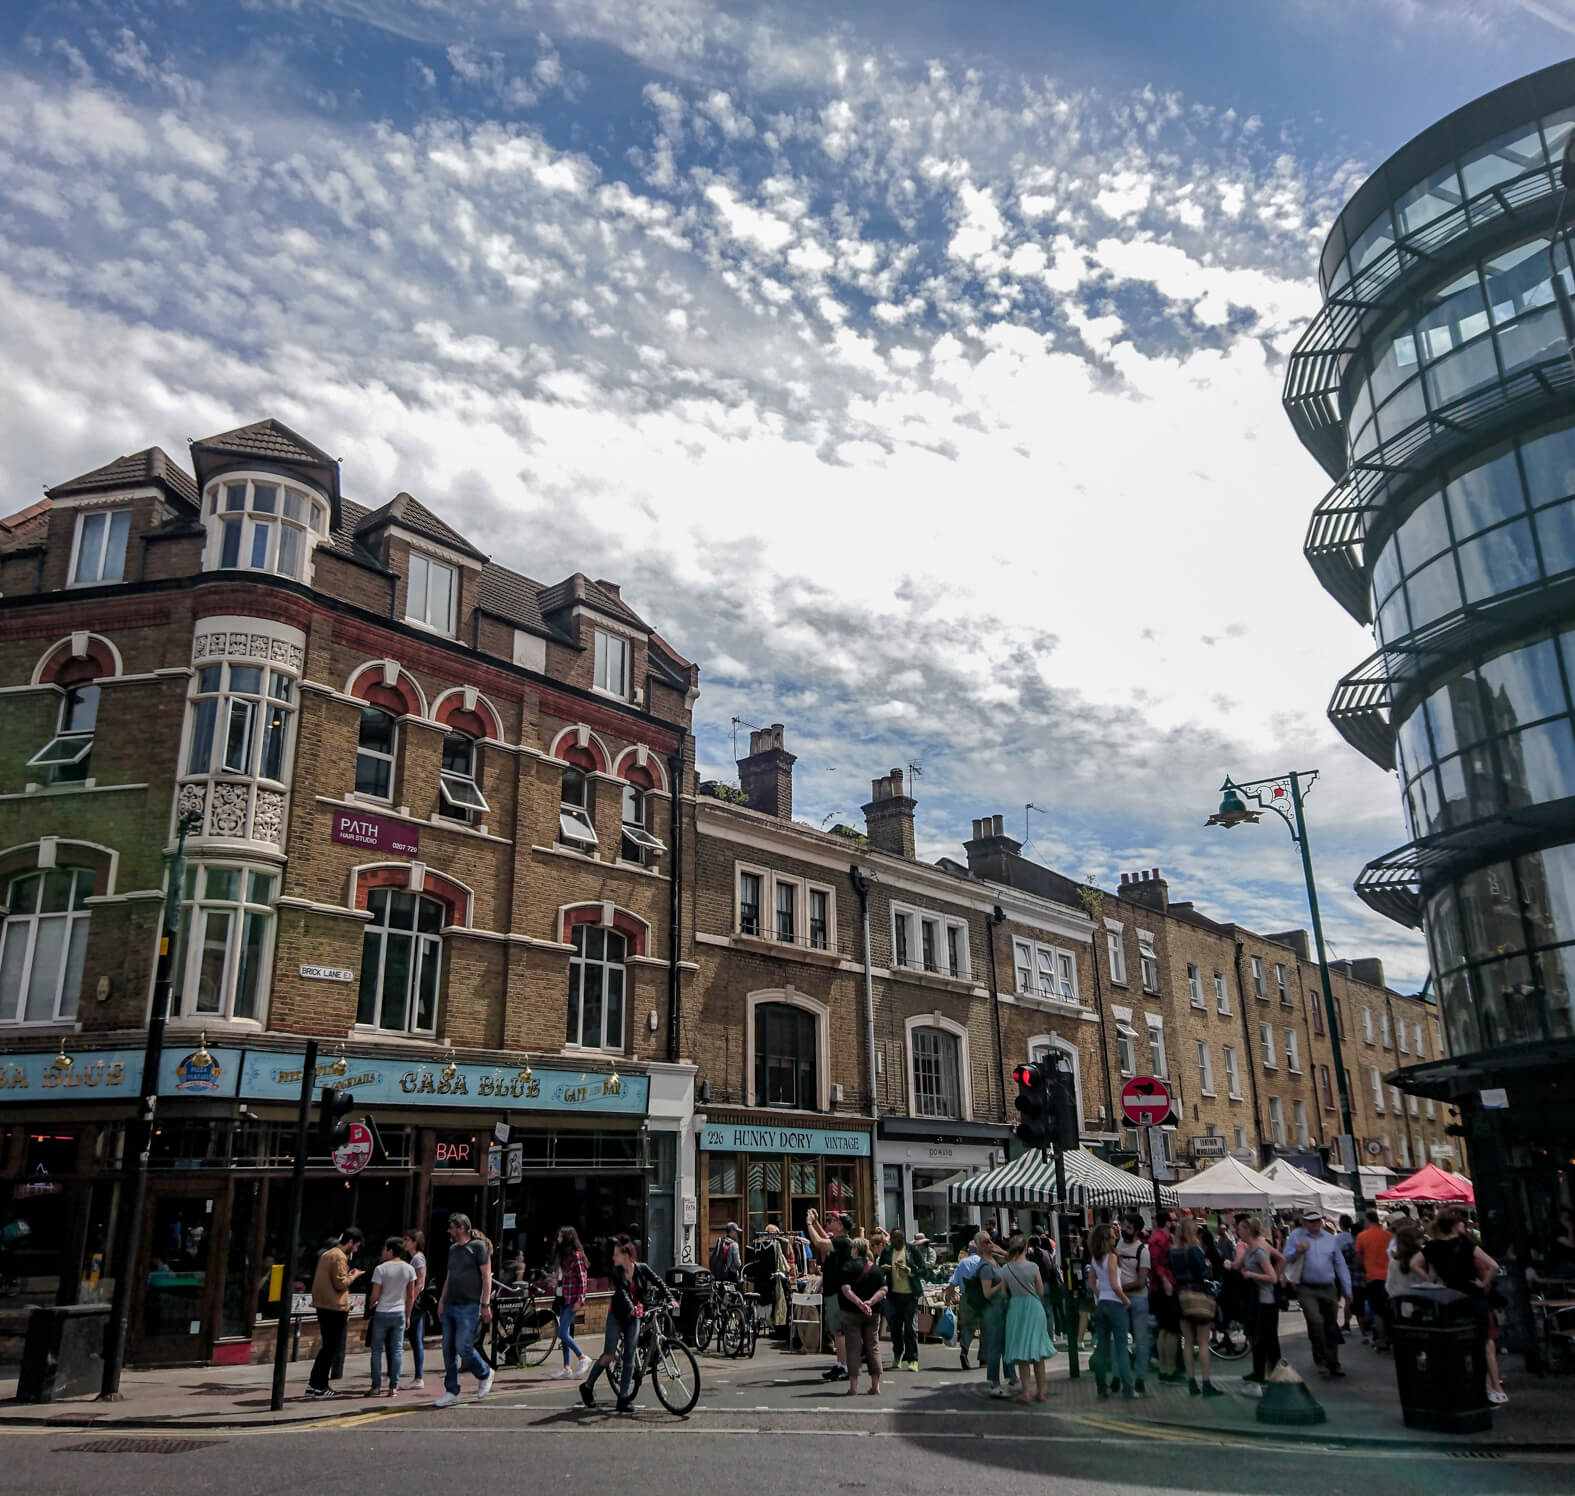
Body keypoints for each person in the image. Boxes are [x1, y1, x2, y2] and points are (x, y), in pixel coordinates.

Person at [1423, 1208, 1508, 1405]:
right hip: (1473, 1296)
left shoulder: (1432, 1247)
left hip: (1450, 1298)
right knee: (1484, 1342)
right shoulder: (1466, 1244)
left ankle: (1480, 1385)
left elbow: (1415, 1264)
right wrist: (1483, 1282)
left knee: (1462, 1343)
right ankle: (1496, 1387)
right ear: (1454, 1226)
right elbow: (1494, 1266)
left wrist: (1432, 1281)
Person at [581, 1235, 661, 1413]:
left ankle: (623, 1398)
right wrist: (632, 1308)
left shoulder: (641, 1269)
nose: (613, 1257)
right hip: (616, 1317)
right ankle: (587, 1386)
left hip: (634, 1316)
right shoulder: (616, 1273)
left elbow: (658, 1281)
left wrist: (671, 1298)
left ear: (627, 1256)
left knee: (629, 1356)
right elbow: (623, 1294)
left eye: (616, 1254)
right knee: (609, 1355)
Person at [985, 1232, 1054, 1404]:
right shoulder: (1033, 1267)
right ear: (1025, 1248)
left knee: (1023, 1355)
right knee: (1038, 1354)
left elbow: (1003, 1292)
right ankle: (1041, 1393)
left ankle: (1026, 1393)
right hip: (1034, 1307)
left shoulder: (1005, 1269)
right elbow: (1040, 1291)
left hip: (1015, 1308)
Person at [1283, 1209, 1352, 1378]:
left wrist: (1347, 1289)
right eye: (1310, 1221)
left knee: (1330, 1325)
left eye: (1316, 1221)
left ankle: (1333, 1362)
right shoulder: (1297, 1237)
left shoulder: (1330, 1239)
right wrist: (1297, 1251)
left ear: (1321, 1222)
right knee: (1316, 1322)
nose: (1314, 1224)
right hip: (1306, 1287)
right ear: (1305, 1223)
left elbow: (1340, 1264)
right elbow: (1286, 1259)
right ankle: (1320, 1360)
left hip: (1328, 1286)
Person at [434, 1213, 493, 1408]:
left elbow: (486, 1277)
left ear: (461, 1228)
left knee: (463, 1347)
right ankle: (452, 1391)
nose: (449, 1231)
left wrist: (485, 1304)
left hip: (469, 1305)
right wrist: (441, 1301)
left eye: (452, 1227)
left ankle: (485, 1373)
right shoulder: (453, 1250)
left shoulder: (478, 1247)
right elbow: (450, 1277)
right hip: (451, 1303)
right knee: (448, 1349)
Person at [307, 1226, 364, 1399]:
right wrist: (353, 1275)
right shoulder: (339, 1256)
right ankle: (320, 1387)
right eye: (356, 1246)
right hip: (334, 1307)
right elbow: (340, 1284)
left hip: (322, 1306)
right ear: (351, 1242)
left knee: (327, 1346)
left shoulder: (326, 1254)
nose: (356, 1250)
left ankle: (313, 1384)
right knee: (331, 1347)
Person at [1170, 1217, 1224, 1398]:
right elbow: (1204, 1271)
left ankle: (1191, 1382)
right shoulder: (1194, 1249)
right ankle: (1206, 1383)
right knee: (1202, 1342)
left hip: (1181, 1295)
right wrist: (1207, 1265)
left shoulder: (1173, 1250)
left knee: (1187, 1341)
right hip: (1198, 1294)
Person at [1087, 1222, 1135, 1400]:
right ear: (1105, 1240)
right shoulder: (1112, 1257)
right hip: (1115, 1305)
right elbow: (1115, 1285)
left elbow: (1092, 1282)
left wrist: (1100, 1295)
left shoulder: (1095, 1258)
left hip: (1102, 1305)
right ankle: (1128, 1389)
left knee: (1102, 1348)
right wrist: (1126, 1300)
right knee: (1122, 1348)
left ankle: (1102, 1388)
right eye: (1113, 1237)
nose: (1115, 1239)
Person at [806, 1208, 854, 1381]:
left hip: (837, 1291)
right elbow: (825, 1237)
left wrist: (809, 1223)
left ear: (840, 1226)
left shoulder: (843, 1243)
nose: (829, 1223)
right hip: (833, 1290)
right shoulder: (839, 1240)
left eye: (833, 1221)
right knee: (836, 1331)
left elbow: (819, 1242)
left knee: (839, 1331)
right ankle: (840, 1364)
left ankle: (845, 1366)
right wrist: (817, 1222)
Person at [367, 1236, 416, 1397]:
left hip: (382, 1312)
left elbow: (374, 1295)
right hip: (399, 1312)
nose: (383, 1252)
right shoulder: (409, 1269)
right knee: (396, 1350)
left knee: (376, 1350)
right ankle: (393, 1387)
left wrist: (370, 1305)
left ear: (390, 1250)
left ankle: (375, 1387)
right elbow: (411, 1295)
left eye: (384, 1249)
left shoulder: (381, 1269)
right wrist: (408, 1315)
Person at [1237, 1217, 1280, 1397]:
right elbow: (1238, 1266)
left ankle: (1269, 1375)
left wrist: (1252, 1274)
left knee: (1265, 1340)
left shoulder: (1260, 1251)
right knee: (1261, 1338)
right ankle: (1261, 1373)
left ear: (1248, 1230)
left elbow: (1272, 1277)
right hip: (1257, 1300)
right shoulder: (1249, 1249)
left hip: (1266, 1300)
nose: (1237, 1231)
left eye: (1240, 1228)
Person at [840, 1237, 887, 1395]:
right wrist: (870, 1302)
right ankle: (876, 1386)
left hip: (851, 1312)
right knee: (873, 1346)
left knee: (853, 1348)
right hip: (873, 1313)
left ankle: (853, 1387)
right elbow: (884, 1289)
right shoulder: (875, 1268)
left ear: (855, 1249)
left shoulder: (847, 1267)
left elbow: (846, 1290)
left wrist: (859, 1303)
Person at [551, 1226, 594, 1381]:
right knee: (565, 1334)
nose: (558, 1239)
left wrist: (580, 1300)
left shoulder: (577, 1256)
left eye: (561, 1236)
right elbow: (568, 1279)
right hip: (563, 1298)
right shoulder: (564, 1257)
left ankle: (583, 1357)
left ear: (568, 1238)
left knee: (562, 1333)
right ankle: (567, 1368)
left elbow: (583, 1281)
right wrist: (557, 1282)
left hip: (572, 1300)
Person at [1116, 1213, 1151, 1392]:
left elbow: (1141, 1281)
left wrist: (1120, 1289)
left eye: (1128, 1227)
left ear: (1137, 1230)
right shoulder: (1117, 1245)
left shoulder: (1143, 1251)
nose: (1124, 1229)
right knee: (1120, 1340)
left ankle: (1140, 1378)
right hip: (1121, 1299)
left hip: (1137, 1299)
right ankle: (1118, 1376)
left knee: (1140, 1340)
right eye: (1123, 1226)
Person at [948, 1232, 991, 1373]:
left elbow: (953, 1283)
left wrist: (948, 1298)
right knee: (985, 1328)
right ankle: (983, 1358)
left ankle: (964, 1351)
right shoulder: (984, 1262)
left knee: (968, 1326)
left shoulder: (962, 1263)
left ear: (968, 1251)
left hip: (966, 1298)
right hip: (983, 1297)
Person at [1353, 1209, 1395, 1351]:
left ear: (1367, 1220)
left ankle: (1382, 1339)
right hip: (1389, 1276)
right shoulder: (1387, 1235)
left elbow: (1358, 1257)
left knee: (1377, 1311)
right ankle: (1392, 1336)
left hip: (1373, 1277)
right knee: (1389, 1308)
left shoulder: (1362, 1236)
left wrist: (1366, 1267)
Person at [1148, 1209, 1181, 1383]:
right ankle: (1169, 1369)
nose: (1176, 1223)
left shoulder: (1163, 1239)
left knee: (1164, 1330)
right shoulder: (1159, 1240)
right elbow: (1156, 1263)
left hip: (1161, 1288)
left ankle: (1165, 1369)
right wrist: (1165, 1281)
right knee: (1171, 1330)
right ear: (1168, 1223)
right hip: (1163, 1289)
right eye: (1174, 1220)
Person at [881, 1228, 920, 1372]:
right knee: (895, 1328)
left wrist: (909, 1270)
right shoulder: (887, 1251)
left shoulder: (912, 1250)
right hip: (893, 1295)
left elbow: (923, 1270)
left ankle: (912, 1359)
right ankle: (898, 1354)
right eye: (891, 1238)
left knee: (910, 1328)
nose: (892, 1241)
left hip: (910, 1295)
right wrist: (885, 1268)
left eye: (895, 1239)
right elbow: (880, 1269)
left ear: (902, 1239)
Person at [402, 1229, 428, 1390]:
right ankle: (418, 1378)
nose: (404, 1243)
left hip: (415, 1305)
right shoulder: (415, 1258)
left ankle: (418, 1378)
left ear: (415, 1242)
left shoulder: (418, 1258)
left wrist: (409, 1304)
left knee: (415, 1340)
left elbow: (420, 1283)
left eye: (407, 1240)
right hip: (415, 1303)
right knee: (415, 1340)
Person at [1386, 1221, 1436, 1296]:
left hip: (1405, 1302)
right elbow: (1434, 1278)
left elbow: (1390, 1287)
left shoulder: (1394, 1262)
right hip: (1427, 1299)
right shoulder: (1424, 1258)